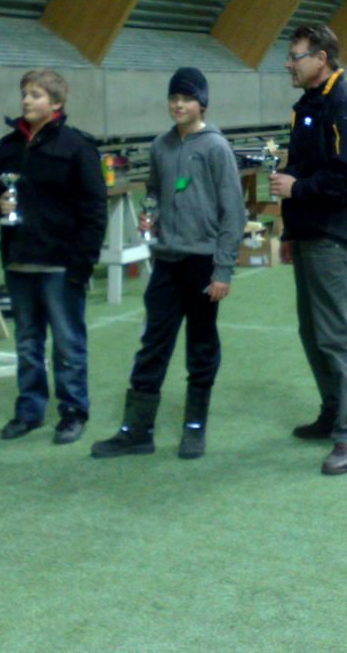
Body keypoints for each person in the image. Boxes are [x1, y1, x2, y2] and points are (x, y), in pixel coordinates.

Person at [91, 67, 245, 461]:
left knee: (201, 344)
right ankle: (136, 431)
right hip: (166, 262)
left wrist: (223, 270)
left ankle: (194, 427)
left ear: (202, 104)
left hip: (203, 264)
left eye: (187, 99)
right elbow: (155, 193)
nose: (179, 105)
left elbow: (233, 213)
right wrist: (152, 217)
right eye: (174, 98)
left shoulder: (216, 148)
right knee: (153, 344)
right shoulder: (160, 146)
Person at [0, 70, 107, 445]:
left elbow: (95, 210)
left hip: (61, 264)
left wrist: (82, 265)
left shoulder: (77, 146)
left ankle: (73, 411)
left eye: (35, 94)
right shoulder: (6, 148)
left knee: (68, 344)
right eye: (24, 93)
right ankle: (29, 410)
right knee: (27, 343)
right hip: (18, 262)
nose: (26, 100)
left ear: (56, 103)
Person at [270, 23, 347, 476]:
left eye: (295, 56)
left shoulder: (344, 104)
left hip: (336, 236)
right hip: (311, 234)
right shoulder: (308, 106)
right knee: (313, 333)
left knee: (338, 337)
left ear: (321, 58)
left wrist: (297, 189)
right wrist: (290, 232)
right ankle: (332, 412)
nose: (288, 65)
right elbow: (303, 167)